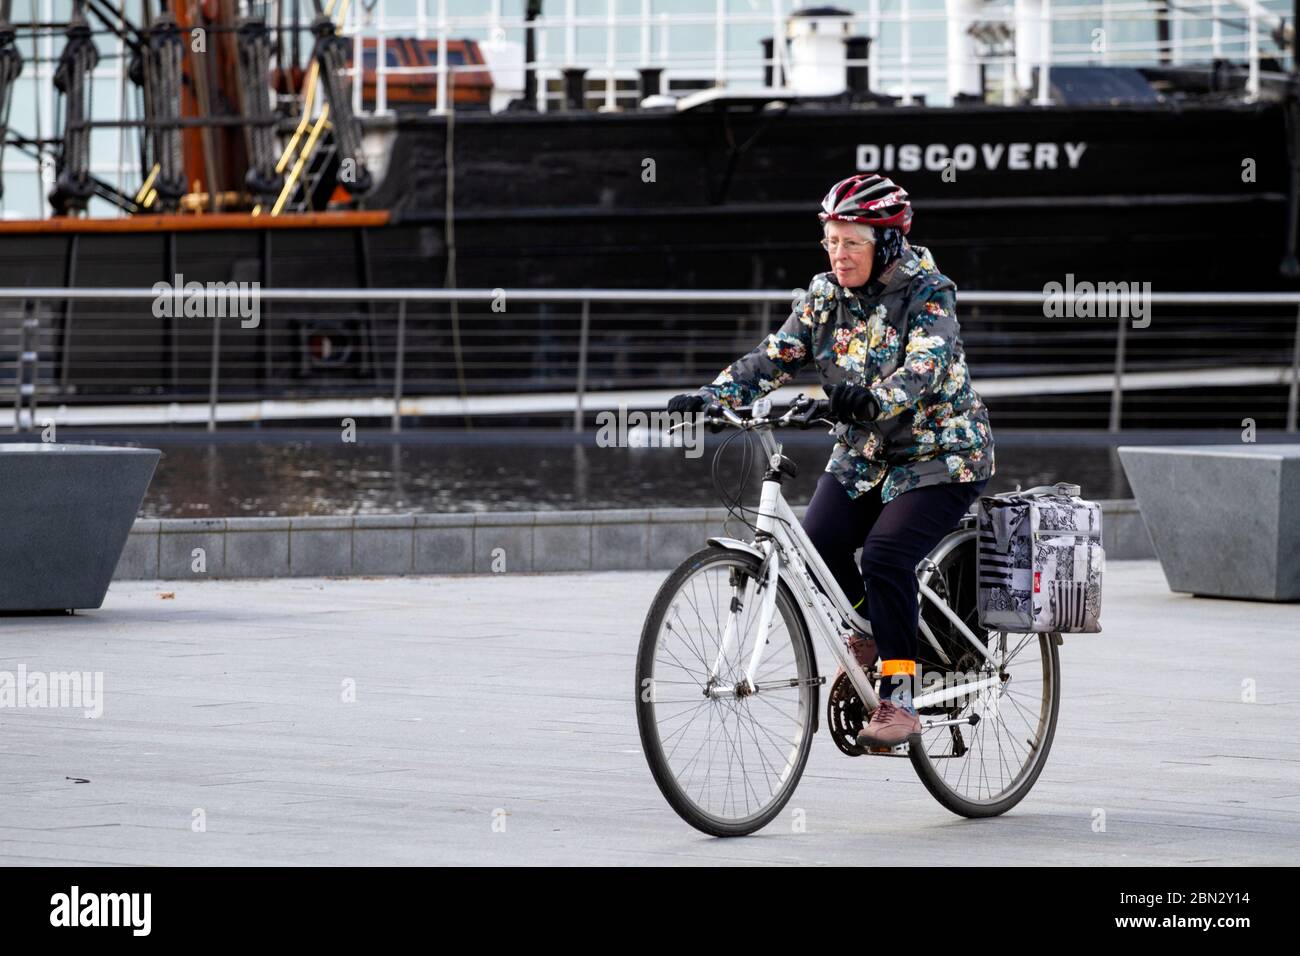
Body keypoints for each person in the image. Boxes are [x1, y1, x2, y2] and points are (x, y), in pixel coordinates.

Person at [667, 173, 995, 748]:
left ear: (886, 243)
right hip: (867, 453)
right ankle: (870, 630)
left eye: (852, 243)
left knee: (889, 554)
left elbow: (926, 367)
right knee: (817, 540)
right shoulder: (824, 296)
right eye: (831, 241)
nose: (838, 255)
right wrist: (714, 395)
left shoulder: (929, 292)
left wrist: (875, 398)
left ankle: (899, 697)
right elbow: (773, 358)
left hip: (942, 454)